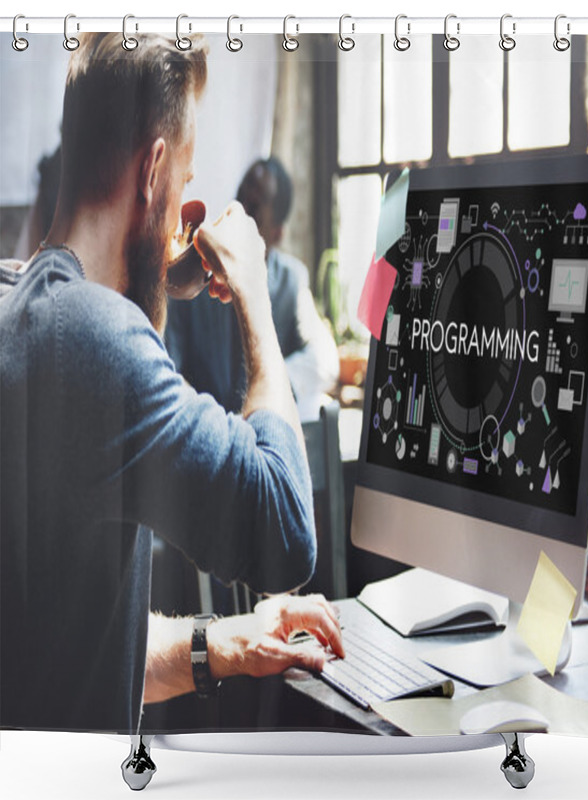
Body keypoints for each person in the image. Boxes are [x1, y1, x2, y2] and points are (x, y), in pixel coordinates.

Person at [0, 33, 343, 733]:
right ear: (154, 169)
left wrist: (222, 644)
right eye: (185, 182)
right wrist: (252, 288)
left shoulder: (24, 307)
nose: (185, 202)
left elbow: (73, 657)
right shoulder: (92, 341)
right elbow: (286, 537)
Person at [165, 158, 339, 421]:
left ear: (277, 233)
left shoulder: (290, 281)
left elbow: (325, 360)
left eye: (254, 209)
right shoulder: (193, 277)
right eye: (239, 199)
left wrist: (271, 390)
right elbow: (168, 369)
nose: (239, 214)